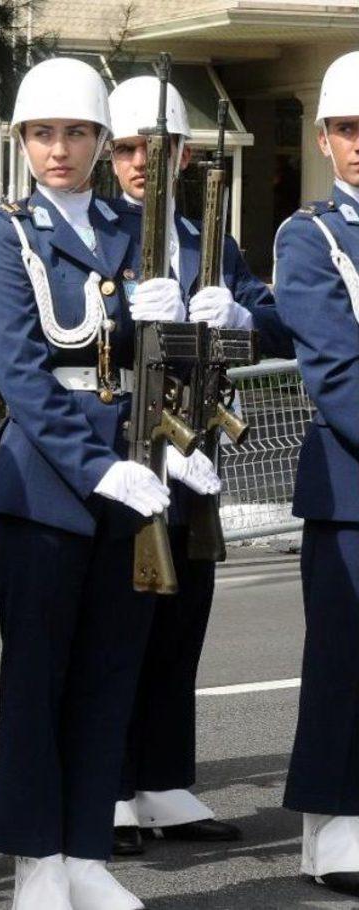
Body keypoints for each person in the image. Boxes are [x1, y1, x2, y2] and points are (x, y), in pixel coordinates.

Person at [0, 56, 216, 910]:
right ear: (23, 142)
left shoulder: (131, 227)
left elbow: (158, 357)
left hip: (137, 474)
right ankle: (37, 860)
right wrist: (100, 465)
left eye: (76, 133)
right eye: (43, 134)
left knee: (113, 669)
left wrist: (174, 421)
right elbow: (22, 375)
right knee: (38, 676)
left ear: (102, 139)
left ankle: (85, 851)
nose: (60, 150)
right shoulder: (5, 232)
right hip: (48, 483)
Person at [107, 75, 294, 855]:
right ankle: (109, 786)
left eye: (157, 148)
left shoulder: (207, 238)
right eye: (125, 149)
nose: (142, 163)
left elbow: (280, 328)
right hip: (117, 458)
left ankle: (163, 780)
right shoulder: (88, 233)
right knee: (116, 631)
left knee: (181, 623)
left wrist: (247, 318)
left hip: (193, 460)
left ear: (183, 154)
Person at [274, 50, 359, 900]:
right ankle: (333, 833)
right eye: (346, 130)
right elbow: (336, 370)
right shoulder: (312, 236)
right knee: (346, 659)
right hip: (351, 485)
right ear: (326, 140)